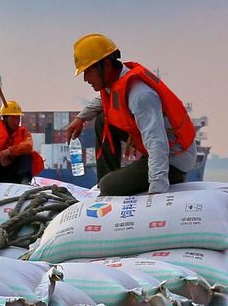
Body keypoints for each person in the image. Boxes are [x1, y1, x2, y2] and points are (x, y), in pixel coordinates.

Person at [63, 34, 199, 195]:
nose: (85, 78)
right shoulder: (117, 81)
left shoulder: (141, 96)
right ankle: (105, 183)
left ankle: (107, 186)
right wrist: (81, 118)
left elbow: (157, 143)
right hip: (157, 152)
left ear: (106, 65)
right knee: (102, 119)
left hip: (173, 161)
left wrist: (157, 190)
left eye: (88, 72)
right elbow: (104, 99)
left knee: (109, 186)